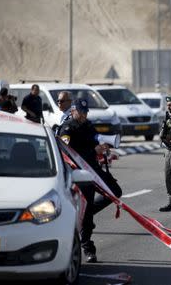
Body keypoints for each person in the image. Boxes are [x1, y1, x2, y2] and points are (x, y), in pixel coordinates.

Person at [59, 98, 122, 263]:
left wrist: (103, 145)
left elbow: (95, 137)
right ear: (73, 111)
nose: (84, 115)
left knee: (115, 192)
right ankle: (88, 248)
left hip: (94, 169)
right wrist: (92, 149)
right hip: (80, 173)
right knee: (86, 211)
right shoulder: (67, 128)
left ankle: (86, 214)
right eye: (81, 112)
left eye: (86, 112)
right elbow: (68, 152)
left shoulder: (88, 125)